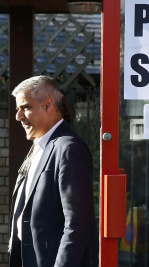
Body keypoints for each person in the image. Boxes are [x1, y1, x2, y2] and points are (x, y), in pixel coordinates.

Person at [9, 76, 99, 267]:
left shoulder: (69, 148)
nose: (18, 116)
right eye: (18, 109)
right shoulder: (41, 145)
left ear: (48, 105)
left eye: (25, 107)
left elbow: (77, 223)